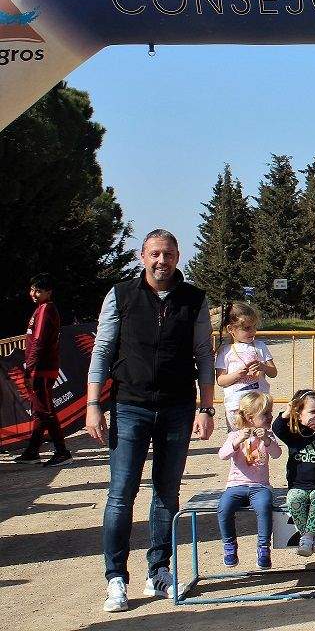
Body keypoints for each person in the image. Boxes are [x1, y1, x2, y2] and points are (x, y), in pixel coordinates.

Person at [86, 229, 215, 613]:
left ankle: (158, 571)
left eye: (169, 254)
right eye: (155, 254)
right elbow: (102, 350)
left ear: (178, 257)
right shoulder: (120, 296)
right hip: (129, 406)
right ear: (143, 256)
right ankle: (116, 579)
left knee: (166, 493)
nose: (162, 261)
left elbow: (204, 356)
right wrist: (94, 404)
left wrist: (206, 408)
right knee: (121, 493)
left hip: (177, 408)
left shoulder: (194, 299)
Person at [272, 389, 315, 556]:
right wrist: (287, 412)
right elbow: (278, 428)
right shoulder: (293, 434)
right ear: (299, 414)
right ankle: (309, 536)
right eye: (312, 411)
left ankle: (308, 536)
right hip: (298, 484)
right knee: (294, 500)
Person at [217, 391, 281, 570]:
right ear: (250, 418)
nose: (270, 416)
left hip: (260, 486)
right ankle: (229, 545)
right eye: (265, 414)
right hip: (235, 486)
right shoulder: (235, 435)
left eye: (270, 412)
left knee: (264, 507)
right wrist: (238, 441)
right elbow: (223, 455)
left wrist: (267, 440)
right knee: (224, 508)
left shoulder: (268, 435)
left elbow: (277, 454)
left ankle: (263, 548)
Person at [16, 273, 70, 466]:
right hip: (39, 368)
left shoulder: (46, 309)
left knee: (45, 410)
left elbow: (38, 341)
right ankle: (32, 451)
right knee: (39, 410)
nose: (33, 293)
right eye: (32, 289)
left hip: (41, 369)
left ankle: (62, 451)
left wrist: (29, 368)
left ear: (49, 292)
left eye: (38, 290)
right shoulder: (40, 309)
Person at [215, 301, 277, 430]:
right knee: (237, 439)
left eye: (254, 327)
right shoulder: (225, 351)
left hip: (259, 404)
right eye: (247, 328)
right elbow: (221, 380)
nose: (252, 331)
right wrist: (237, 375)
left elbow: (273, 372)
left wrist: (263, 367)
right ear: (231, 329)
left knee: (261, 440)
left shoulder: (260, 346)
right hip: (236, 406)